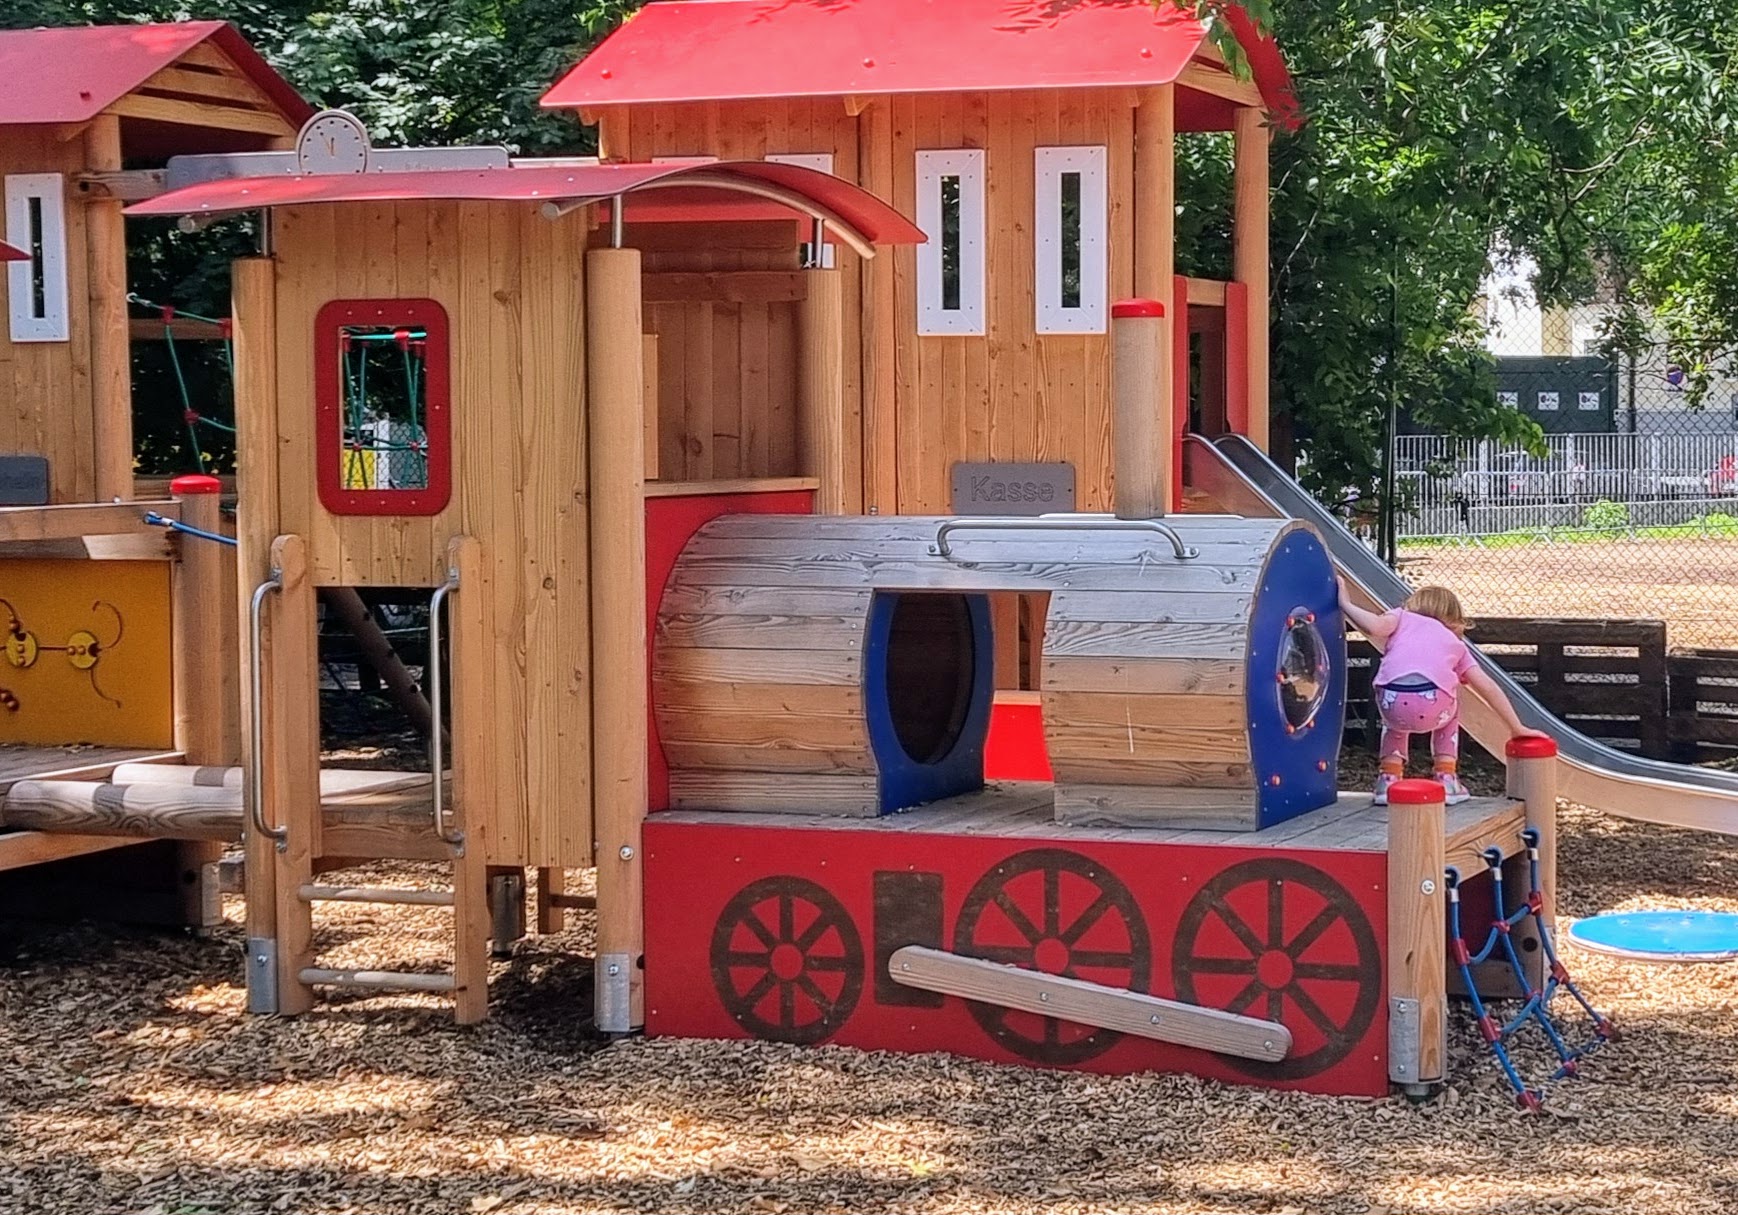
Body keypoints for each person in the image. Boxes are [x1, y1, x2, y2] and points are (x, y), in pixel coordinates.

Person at [1338, 578, 1548, 805]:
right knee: (1453, 706)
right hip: (1433, 706)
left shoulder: (1401, 617)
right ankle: (1446, 776)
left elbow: (1373, 627)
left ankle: (1388, 778)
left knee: (1395, 720)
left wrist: (1346, 604)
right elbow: (1487, 686)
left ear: (1414, 605)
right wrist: (1516, 727)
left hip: (1392, 702)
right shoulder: (1455, 644)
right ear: (1454, 619)